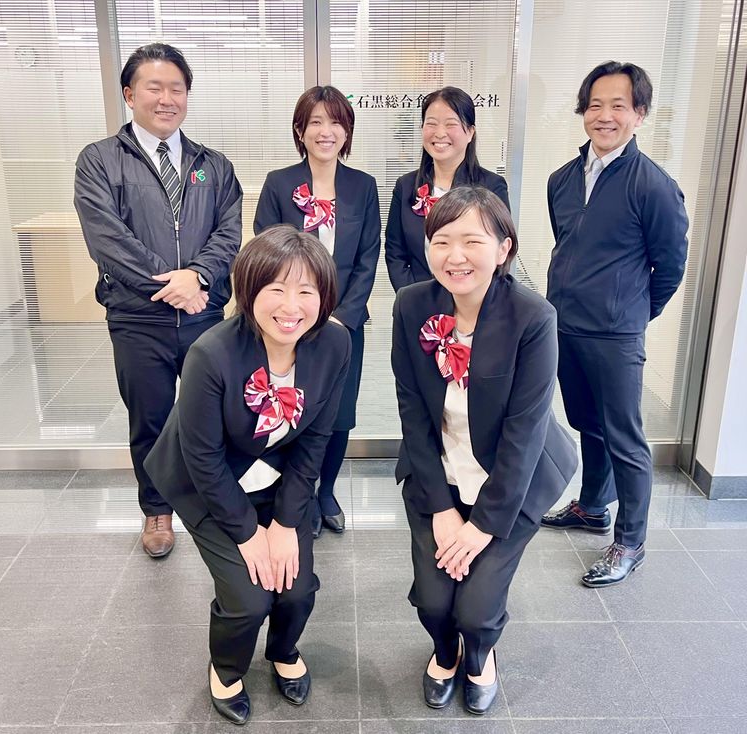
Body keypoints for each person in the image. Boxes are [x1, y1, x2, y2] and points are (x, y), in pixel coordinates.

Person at [143, 225, 351, 726]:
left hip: (277, 480)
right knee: (247, 599)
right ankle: (227, 668)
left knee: (297, 587)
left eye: (306, 291)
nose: (291, 306)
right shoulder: (211, 354)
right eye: (276, 288)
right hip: (206, 484)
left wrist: (284, 524)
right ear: (249, 290)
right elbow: (203, 458)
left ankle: (283, 651)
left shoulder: (334, 344)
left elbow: (315, 440)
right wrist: (247, 534)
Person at [391, 186, 577, 714]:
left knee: (475, 610)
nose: (455, 256)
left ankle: (479, 655)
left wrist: (481, 527)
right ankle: (443, 652)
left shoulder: (533, 317)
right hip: (439, 477)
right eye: (441, 241)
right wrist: (442, 509)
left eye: (472, 241)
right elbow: (412, 414)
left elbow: (525, 434)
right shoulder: (412, 306)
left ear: (503, 248)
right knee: (434, 602)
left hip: (511, 483)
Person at [74, 43, 242, 558]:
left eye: (177, 89)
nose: (167, 98)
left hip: (204, 316)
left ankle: (222, 504)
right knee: (149, 419)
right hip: (137, 318)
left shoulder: (213, 165)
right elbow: (108, 239)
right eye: (155, 87)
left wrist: (198, 278)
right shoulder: (100, 160)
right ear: (130, 94)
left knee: (215, 416)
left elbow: (228, 233)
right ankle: (157, 510)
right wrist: (171, 286)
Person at [540, 61, 688, 587]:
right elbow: (568, 244)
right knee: (587, 422)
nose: (605, 115)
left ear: (639, 114)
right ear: (583, 111)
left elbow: (670, 266)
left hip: (616, 334)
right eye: (595, 105)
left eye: (618, 106)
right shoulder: (561, 179)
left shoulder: (654, 186)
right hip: (565, 325)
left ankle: (630, 540)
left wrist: (632, 314)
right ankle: (592, 506)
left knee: (625, 437)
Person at [254, 85, 381, 536]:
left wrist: (342, 318)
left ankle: (326, 491)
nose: (326, 131)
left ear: (347, 132)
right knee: (292, 407)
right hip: (288, 323)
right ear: (300, 131)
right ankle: (297, 495)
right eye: (316, 123)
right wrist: (294, 314)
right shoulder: (279, 184)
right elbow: (265, 253)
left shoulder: (363, 186)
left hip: (344, 326)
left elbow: (368, 257)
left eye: (336, 122)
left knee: (339, 412)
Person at [385, 86, 509, 292]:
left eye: (451, 124)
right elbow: (395, 252)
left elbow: (497, 253)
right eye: (431, 124)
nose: (440, 133)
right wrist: (414, 297)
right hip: (418, 300)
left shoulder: (491, 186)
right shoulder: (405, 186)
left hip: (473, 300)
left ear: (470, 132)